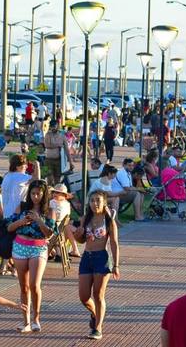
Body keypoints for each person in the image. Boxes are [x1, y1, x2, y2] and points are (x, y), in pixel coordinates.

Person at [7, 180, 56, 333]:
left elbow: (49, 233)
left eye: (38, 194)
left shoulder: (49, 211)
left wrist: (39, 220)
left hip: (38, 247)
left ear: (44, 195)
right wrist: (21, 222)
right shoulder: (22, 207)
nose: (35, 197)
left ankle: (36, 319)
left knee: (34, 285)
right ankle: (26, 320)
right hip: (20, 246)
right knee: (24, 286)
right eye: (33, 193)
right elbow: (9, 227)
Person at [75, 190, 120, 340]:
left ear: (104, 202)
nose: (95, 203)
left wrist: (116, 265)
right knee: (83, 296)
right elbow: (80, 240)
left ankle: (98, 328)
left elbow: (114, 243)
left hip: (102, 257)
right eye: (92, 200)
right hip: (87, 258)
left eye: (98, 200)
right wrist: (78, 233)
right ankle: (95, 314)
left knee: (98, 295)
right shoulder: (85, 219)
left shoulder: (108, 221)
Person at [50, 183, 81, 258]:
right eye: (54, 192)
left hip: (62, 228)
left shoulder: (66, 204)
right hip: (53, 227)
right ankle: (73, 250)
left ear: (64, 195)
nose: (55, 194)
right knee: (67, 227)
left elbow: (66, 218)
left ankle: (74, 249)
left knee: (68, 227)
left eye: (57, 192)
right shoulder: (51, 202)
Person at [43, 119, 74, 185]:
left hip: (59, 160)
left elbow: (67, 150)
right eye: (52, 126)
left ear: (57, 126)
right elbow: (47, 145)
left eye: (54, 126)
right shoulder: (48, 135)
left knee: (57, 180)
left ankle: (55, 192)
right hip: (49, 160)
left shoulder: (62, 136)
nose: (53, 128)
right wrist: (58, 145)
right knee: (50, 179)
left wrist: (70, 162)